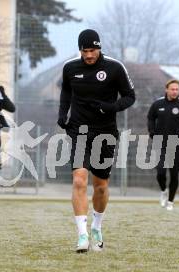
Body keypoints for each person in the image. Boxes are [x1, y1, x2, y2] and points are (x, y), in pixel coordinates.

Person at [58, 29, 135, 252]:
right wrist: (63, 114)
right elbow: (65, 91)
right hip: (79, 130)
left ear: (99, 48)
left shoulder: (115, 67)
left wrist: (112, 107)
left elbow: (130, 96)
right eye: (85, 51)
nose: (89, 55)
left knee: (100, 187)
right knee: (79, 181)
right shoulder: (70, 68)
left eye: (92, 50)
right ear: (80, 50)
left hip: (105, 132)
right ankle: (82, 236)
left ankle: (97, 226)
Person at [147, 79, 179, 211]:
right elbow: (151, 118)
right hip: (160, 144)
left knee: (174, 175)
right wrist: (152, 131)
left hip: (177, 145)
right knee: (160, 173)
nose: (174, 91)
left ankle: (170, 202)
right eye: (172, 89)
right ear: (166, 89)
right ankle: (163, 191)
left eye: (177, 89)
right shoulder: (158, 104)